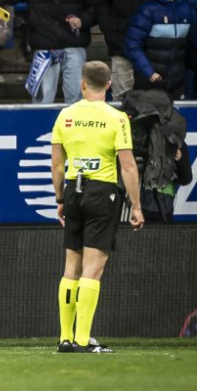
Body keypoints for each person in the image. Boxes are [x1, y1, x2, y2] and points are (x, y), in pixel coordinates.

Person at [50, 61, 144, 354]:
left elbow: (56, 164)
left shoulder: (65, 116)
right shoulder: (116, 118)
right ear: (109, 85)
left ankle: (65, 338)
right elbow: (127, 165)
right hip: (102, 191)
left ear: (82, 84)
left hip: (73, 190)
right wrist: (137, 206)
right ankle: (82, 340)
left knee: (71, 268)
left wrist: (61, 199)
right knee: (93, 267)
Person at [124, 0, 197, 100]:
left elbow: (196, 36)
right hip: (150, 83)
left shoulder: (188, 10)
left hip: (177, 83)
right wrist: (149, 72)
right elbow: (132, 45)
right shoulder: (148, 10)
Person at [96, 0, 161, 102]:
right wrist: (110, 33)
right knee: (120, 99)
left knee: (153, 102)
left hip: (154, 51)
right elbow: (102, 5)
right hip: (120, 49)